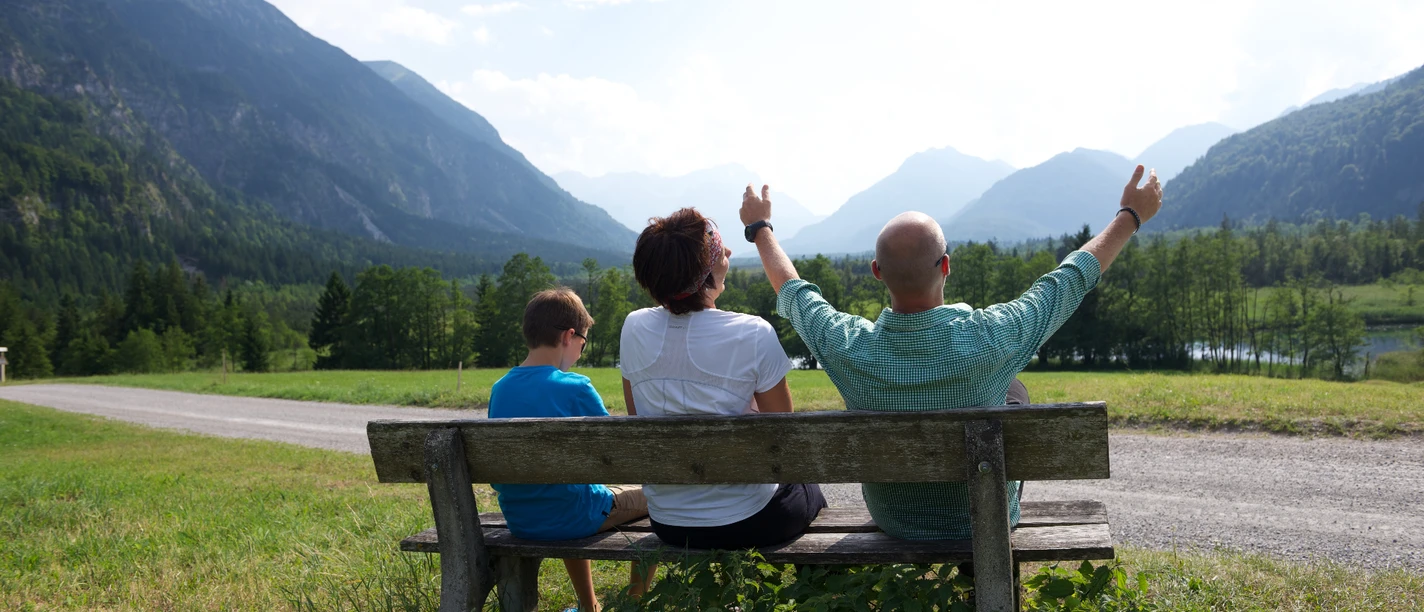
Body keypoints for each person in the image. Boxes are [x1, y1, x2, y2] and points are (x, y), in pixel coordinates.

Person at [738, 165, 1164, 540]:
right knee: (1012, 388)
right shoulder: (995, 337)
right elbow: (1069, 280)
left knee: (1008, 386)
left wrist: (760, 228)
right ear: (945, 266)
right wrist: (1130, 217)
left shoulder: (846, 345)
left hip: (895, 520)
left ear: (875, 273)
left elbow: (795, 293)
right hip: (986, 519)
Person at [620, 207, 827, 550]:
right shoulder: (753, 333)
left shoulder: (633, 327)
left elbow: (638, 418)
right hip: (749, 518)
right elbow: (783, 437)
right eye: (719, 249)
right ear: (704, 274)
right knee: (809, 490)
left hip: (668, 522)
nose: (729, 253)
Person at [487, 288, 654, 612]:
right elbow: (618, 456)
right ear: (568, 336)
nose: (581, 349)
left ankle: (589, 605)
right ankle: (634, 604)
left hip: (521, 519)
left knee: (565, 489)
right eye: (583, 341)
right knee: (658, 495)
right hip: (576, 515)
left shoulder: (500, 389)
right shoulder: (576, 386)